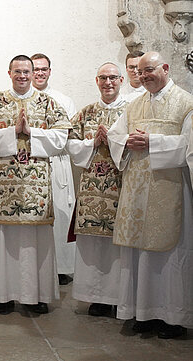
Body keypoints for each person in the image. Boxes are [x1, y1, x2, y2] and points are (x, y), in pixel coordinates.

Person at [0, 55, 71, 315]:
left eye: (26, 71)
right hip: (3, 187)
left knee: (35, 242)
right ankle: (2, 295)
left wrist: (32, 133)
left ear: (33, 73)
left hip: (35, 187)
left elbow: (62, 136)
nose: (23, 76)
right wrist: (10, 132)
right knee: (5, 240)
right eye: (17, 71)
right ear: (9, 73)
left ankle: (36, 295)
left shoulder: (48, 103)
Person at [107, 51, 193, 339]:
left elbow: (190, 148)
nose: (143, 77)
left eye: (149, 71)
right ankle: (141, 313)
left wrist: (153, 142)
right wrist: (126, 141)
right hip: (137, 190)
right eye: (140, 73)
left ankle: (172, 317)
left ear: (165, 68)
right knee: (138, 255)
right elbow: (115, 135)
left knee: (171, 255)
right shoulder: (135, 104)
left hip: (170, 188)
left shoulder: (186, 103)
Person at [67, 62, 127, 317]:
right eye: (103, 78)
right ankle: (96, 297)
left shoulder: (131, 110)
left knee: (118, 244)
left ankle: (119, 296)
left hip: (121, 187)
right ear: (96, 81)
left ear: (121, 80)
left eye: (113, 77)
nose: (108, 82)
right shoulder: (86, 113)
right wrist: (92, 142)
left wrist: (112, 140)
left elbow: (136, 142)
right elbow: (69, 143)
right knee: (93, 244)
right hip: (92, 188)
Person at [31, 53, 76, 286]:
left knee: (59, 215)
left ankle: (60, 267)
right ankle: (35, 266)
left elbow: (65, 134)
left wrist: (34, 135)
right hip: (30, 166)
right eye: (35, 69)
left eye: (43, 69)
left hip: (56, 163)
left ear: (50, 71)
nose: (39, 73)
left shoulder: (63, 100)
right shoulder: (22, 99)